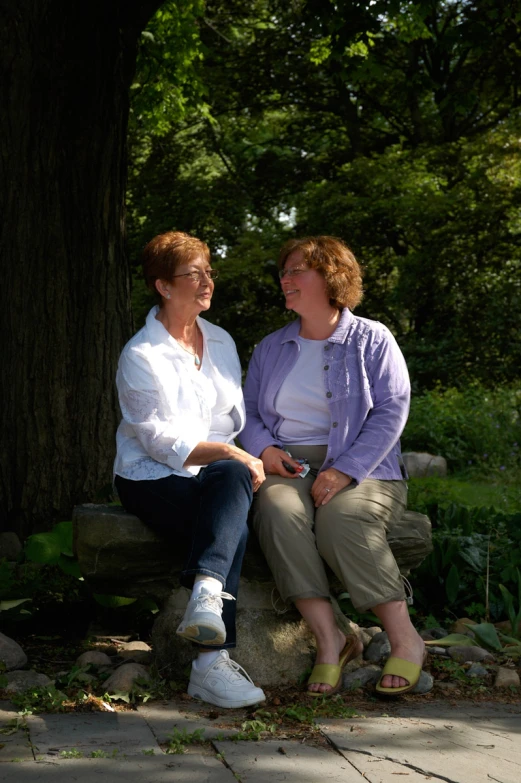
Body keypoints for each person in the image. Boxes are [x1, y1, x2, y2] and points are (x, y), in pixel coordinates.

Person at [240, 235, 427, 697]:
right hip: (288, 464)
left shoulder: (372, 338)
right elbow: (248, 413)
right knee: (279, 512)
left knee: (342, 520)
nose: (285, 279)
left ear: (331, 276)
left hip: (366, 464)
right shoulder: (271, 347)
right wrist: (264, 450)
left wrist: (344, 469)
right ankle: (331, 640)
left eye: (296, 270)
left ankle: (405, 638)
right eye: (283, 271)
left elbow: (391, 410)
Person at [113, 230, 266, 709]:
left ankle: (205, 594)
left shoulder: (220, 340)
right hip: (149, 478)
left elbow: (230, 423)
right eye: (192, 273)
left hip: (217, 476)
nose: (206, 282)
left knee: (229, 485)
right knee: (230, 525)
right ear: (162, 286)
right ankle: (209, 665)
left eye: (209, 272)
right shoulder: (141, 355)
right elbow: (158, 442)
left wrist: (234, 455)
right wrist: (229, 454)